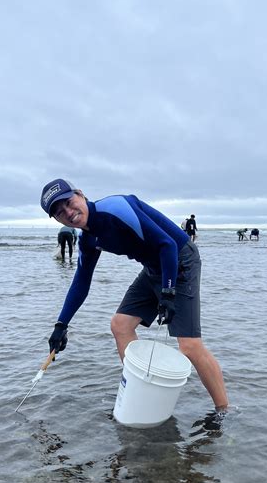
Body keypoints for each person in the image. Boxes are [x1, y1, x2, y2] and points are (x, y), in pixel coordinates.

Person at [40, 178, 229, 419]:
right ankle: (140, 391)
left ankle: (225, 411)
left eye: (68, 202)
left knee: (189, 346)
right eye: (59, 212)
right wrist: (61, 325)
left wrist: (169, 292)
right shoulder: (88, 240)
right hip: (152, 267)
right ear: (56, 219)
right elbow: (81, 282)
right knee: (120, 325)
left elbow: (168, 244)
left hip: (179, 262)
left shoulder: (116, 208)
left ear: (80, 194)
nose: (68, 212)